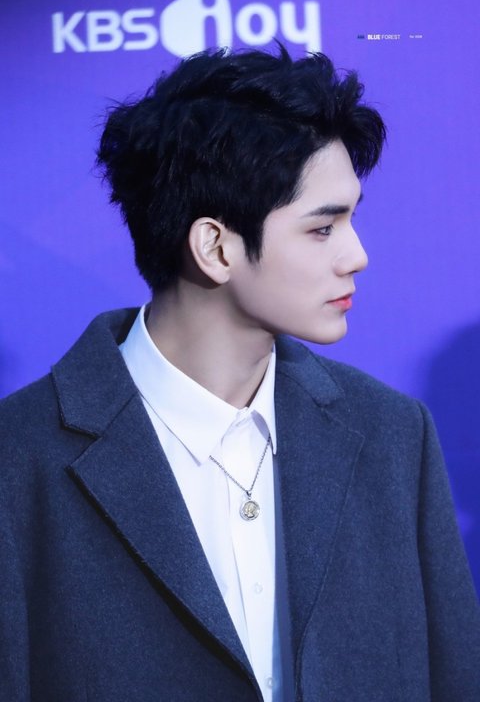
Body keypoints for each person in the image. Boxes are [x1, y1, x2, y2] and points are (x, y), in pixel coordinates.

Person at [0, 47, 479, 702]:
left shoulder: (394, 435)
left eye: (351, 218)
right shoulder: (19, 458)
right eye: (323, 228)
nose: (357, 255)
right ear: (215, 247)